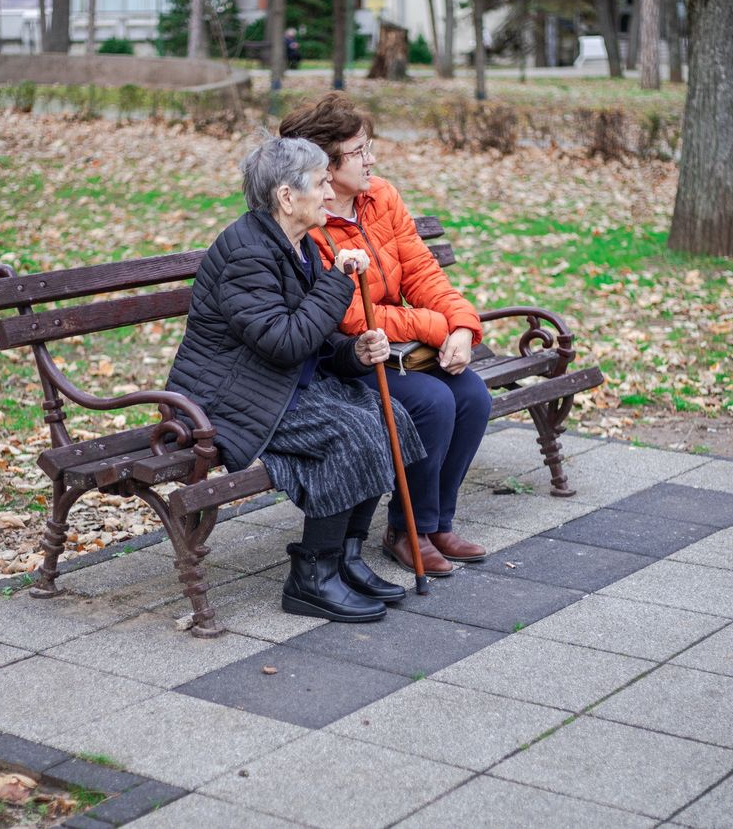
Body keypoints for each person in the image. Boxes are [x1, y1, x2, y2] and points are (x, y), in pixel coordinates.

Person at [166, 136, 422, 622]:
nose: (330, 193)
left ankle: (345, 557)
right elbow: (284, 342)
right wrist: (339, 280)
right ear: (287, 196)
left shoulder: (293, 244)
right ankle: (312, 575)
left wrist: (355, 354)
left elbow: (313, 343)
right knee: (353, 431)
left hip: (276, 384)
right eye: (322, 183)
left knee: (387, 417)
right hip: (229, 398)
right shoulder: (247, 253)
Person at [279, 93, 491, 579]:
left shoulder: (382, 198)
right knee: (432, 402)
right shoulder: (309, 221)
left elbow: (422, 272)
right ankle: (405, 530)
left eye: (368, 146)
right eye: (359, 151)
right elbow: (350, 316)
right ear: (325, 165)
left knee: (473, 396)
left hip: (397, 348)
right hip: (343, 360)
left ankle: (437, 523)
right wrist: (437, 328)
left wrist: (461, 324)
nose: (370, 159)